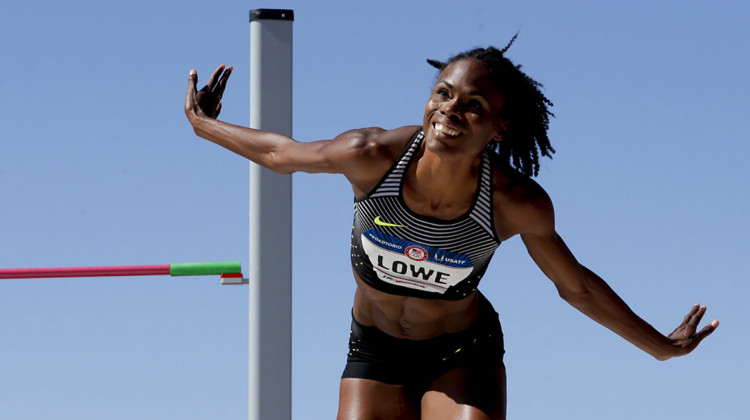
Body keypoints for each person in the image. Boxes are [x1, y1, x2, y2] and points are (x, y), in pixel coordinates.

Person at [184, 38, 718, 420]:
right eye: (443, 94)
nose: (449, 111)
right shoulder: (371, 156)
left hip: (462, 351)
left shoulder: (514, 202)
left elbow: (574, 286)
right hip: (375, 347)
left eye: (473, 105)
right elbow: (281, 154)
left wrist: (660, 348)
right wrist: (203, 124)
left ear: (498, 127)